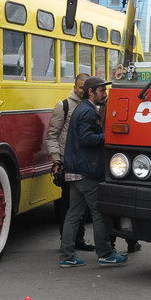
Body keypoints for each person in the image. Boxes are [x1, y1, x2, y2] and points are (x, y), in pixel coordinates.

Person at [59, 77, 129, 268]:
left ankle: (67, 256)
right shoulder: (88, 112)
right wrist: (110, 135)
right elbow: (87, 138)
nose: (104, 94)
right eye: (101, 91)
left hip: (75, 170)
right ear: (91, 92)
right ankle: (105, 253)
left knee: (74, 214)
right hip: (86, 171)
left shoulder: (82, 109)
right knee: (99, 213)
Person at [45, 73, 94, 252]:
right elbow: (52, 136)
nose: (84, 91)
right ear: (75, 87)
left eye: (87, 88)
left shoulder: (93, 104)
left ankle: (79, 240)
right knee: (68, 206)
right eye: (81, 87)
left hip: (87, 163)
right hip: (68, 163)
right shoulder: (63, 106)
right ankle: (66, 243)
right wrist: (56, 160)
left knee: (84, 207)